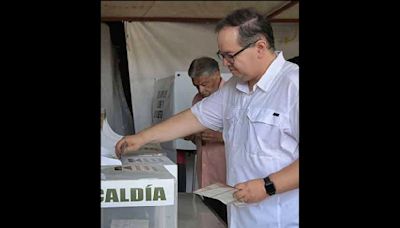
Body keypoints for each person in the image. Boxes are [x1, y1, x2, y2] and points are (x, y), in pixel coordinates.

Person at [116, 7, 299, 228]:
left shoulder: (292, 85)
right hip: (241, 217)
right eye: (221, 56)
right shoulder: (234, 88)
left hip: (282, 219)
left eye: (230, 55)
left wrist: (268, 186)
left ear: (260, 47)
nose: (225, 64)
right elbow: (193, 117)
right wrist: (142, 138)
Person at [184, 56, 227, 223]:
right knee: (208, 220)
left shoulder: (233, 95)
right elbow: (199, 139)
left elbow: (252, 136)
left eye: (204, 84)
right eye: (196, 85)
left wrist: (222, 137)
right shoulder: (197, 100)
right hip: (205, 177)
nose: (201, 90)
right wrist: (192, 136)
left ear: (217, 74)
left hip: (227, 177)